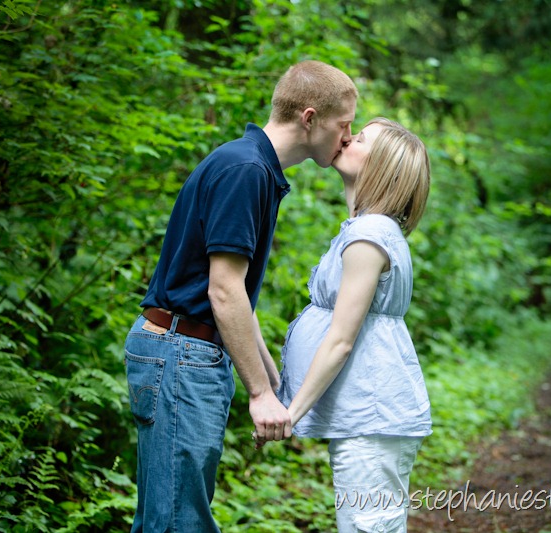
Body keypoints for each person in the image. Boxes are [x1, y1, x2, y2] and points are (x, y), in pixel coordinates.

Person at [123, 60, 358, 533]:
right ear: (309, 118)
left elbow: (237, 298)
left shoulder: (251, 165)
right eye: (344, 124)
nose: (349, 137)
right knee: (178, 523)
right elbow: (224, 292)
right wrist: (258, 394)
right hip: (180, 354)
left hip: (185, 352)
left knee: (164, 516)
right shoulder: (246, 170)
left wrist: (273, 384)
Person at [277, 117, 432, 532]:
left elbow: (341, 340)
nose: (347, 138)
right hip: (368, 417)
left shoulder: (369, 234)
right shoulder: (365, 229)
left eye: (360, 138)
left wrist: (289, 414)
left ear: (382, 166)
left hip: (373, 416)